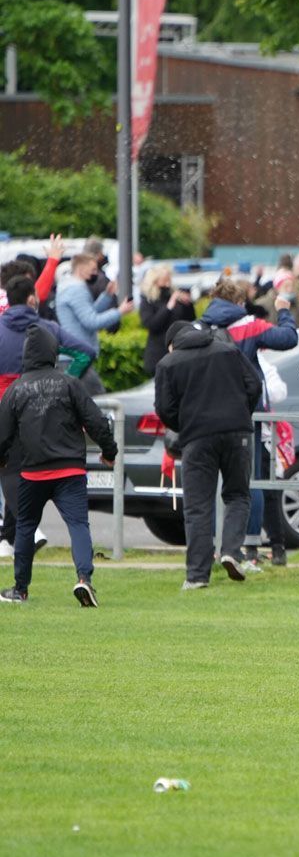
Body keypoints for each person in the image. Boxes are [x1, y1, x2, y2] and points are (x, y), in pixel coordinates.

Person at [0, 326, 117, 606]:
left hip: (32, 472)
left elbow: (2, 434)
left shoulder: (16, 390)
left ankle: (20, 589)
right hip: (70, 470)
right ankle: (84, 579)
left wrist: (2, 459)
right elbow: (96, 421)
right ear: (54, 353)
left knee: (26, 527)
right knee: (78, 524)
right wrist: (109, 451)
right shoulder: (70, 383)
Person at [155, 319, 261, 590]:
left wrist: (184, 425)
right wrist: (240, 413)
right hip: (237, 433)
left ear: (172, 343)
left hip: (197, 439)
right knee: (238, 495)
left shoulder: (168, 364)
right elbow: (254, 385)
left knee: (197, 507)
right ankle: (231, 551)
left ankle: (197, 576)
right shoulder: (228, 351)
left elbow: (165, 409)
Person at [200, 278, 298, 568]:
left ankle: (214, 547)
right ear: (240, 302)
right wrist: (283, 311)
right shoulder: (250, 325)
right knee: (248, 480)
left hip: (207, 412)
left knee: (211, 484)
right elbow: (287, 339)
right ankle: (249, 546)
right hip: (245, 412)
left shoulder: (199, 327)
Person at [55, 254, 133, 395]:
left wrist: (106, 296)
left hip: (72, 355)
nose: (95, 273)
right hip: (78, 356)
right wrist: (119, 312)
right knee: (97, 399)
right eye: (93, 269)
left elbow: (86, 314)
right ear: (81, 268)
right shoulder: (76, 289)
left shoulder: (68, 286)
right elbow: (91, 322)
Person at [138, 264, 194, 375]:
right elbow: (151, 324)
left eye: (169, 280)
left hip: (178, 350)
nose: (168, 284)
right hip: (158, 352)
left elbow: (190, 319)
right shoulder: (148, 300)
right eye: (164, 281)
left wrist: (188, 305)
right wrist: (168, 307)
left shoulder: (173, 295)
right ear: (155, 282)